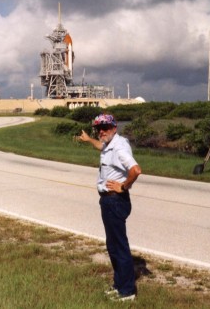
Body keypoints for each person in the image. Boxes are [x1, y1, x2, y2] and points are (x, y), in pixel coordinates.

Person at [78, 113, 142, 302]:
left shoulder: (119, 148)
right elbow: (102, 147)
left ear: (114, 127)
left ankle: (127, 291)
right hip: (109, 201)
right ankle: (119, 285)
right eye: (98, 128)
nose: (102, 131)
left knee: (119, 246)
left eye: (105, 127)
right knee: (113, 245)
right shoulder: (111, 143)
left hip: (115, 200)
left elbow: (136, 170)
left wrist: (124, 186)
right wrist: (89, 140)